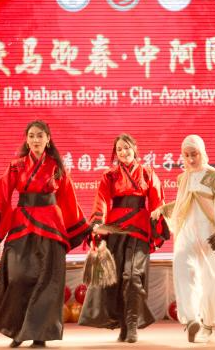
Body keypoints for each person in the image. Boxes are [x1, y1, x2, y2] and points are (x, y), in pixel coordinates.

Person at [0, 120, 90, 348]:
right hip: (22, 225)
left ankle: (40, 334)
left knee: (48, 281)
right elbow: (1, 193)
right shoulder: (16, 166)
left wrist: (85, 228)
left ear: (48, 139)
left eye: (40, 135)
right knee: (18, 276)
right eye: (31, 136)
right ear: (26, 140)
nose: (35, 139)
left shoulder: (57, 167)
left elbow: (69, 201)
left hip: (51, 226)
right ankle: (19, 330)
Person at [153, 134, 215, 343]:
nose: (190, 159)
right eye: (186, 155)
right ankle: (192, 319)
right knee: (182, 269)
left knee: (209, 281)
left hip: (208, 235)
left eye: (194, 154)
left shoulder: (213, 176)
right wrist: (162, 209)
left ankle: (207, 324)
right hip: (186, 234)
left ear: (202, 152)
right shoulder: (182, 178)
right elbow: (182, 204)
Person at [79, 133, 169, 343]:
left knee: (133, 275)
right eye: (119, 149)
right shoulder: (110, 175)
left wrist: (158, 218)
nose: (123, 152)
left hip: (139, 229)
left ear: (134, 148)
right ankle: (123, 325)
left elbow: (157, 201)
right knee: (117, 279)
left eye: (126, 147)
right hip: (116, 230)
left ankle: (132, 325)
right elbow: (101, 200)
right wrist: (98, 223)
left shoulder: (147, 173)